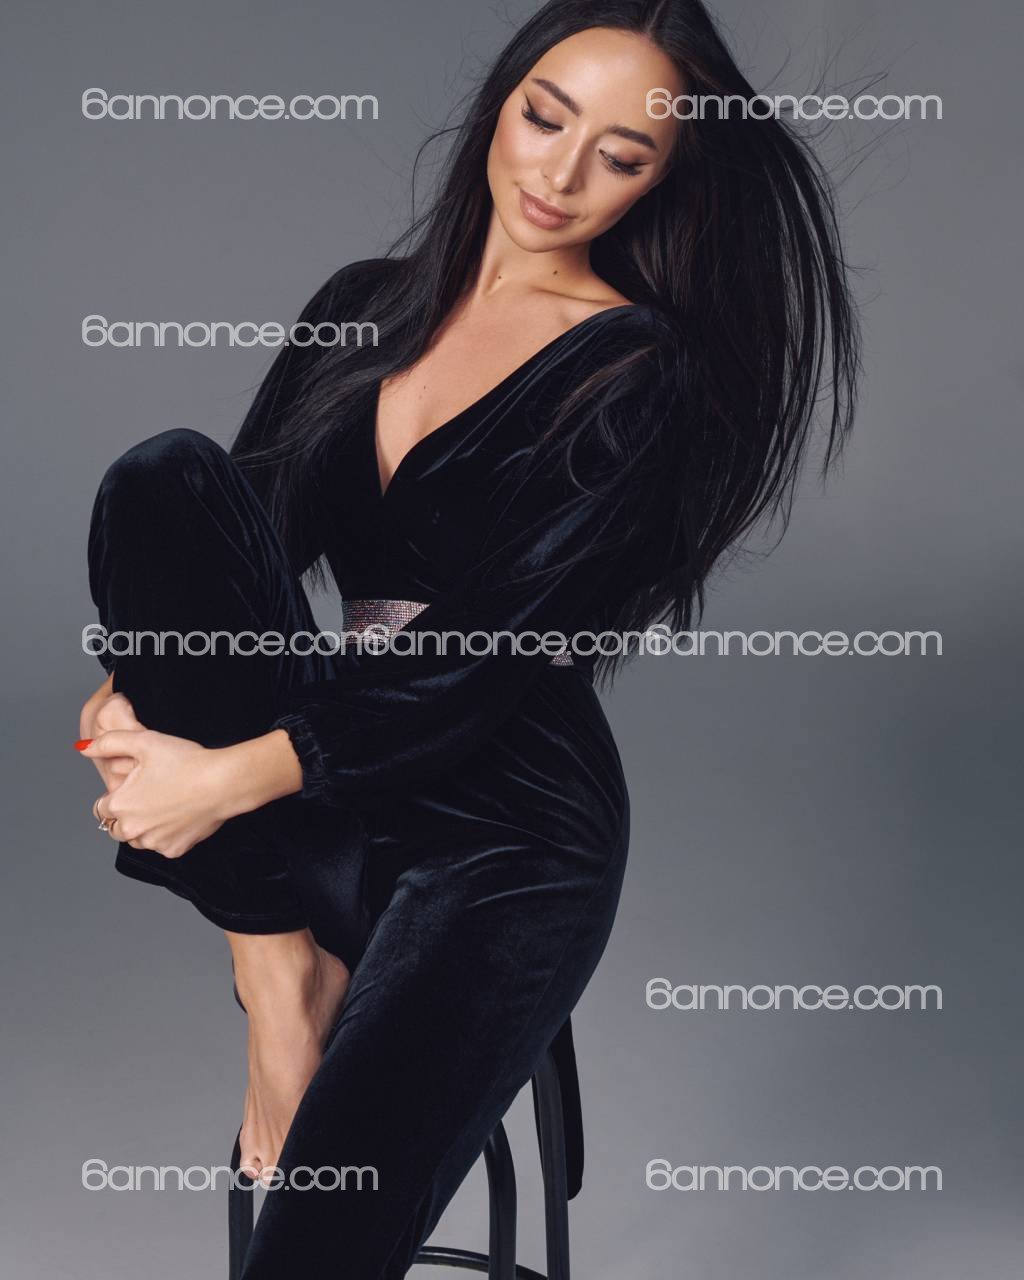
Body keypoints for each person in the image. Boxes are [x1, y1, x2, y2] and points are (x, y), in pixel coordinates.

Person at [77, 3, 860, 1274]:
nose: (560, 172)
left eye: (620, 154)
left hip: (504, 825)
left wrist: (214, 778)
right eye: (546, 117)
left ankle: (302, 985)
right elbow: (227, 539)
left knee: (315, 1245)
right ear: (501, 102)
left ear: (661, 181)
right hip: (329, 775)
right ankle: (282, 982)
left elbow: (491, 654)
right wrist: (131, 687)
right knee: (163, 475)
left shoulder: (634, 369)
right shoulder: (361, 307)